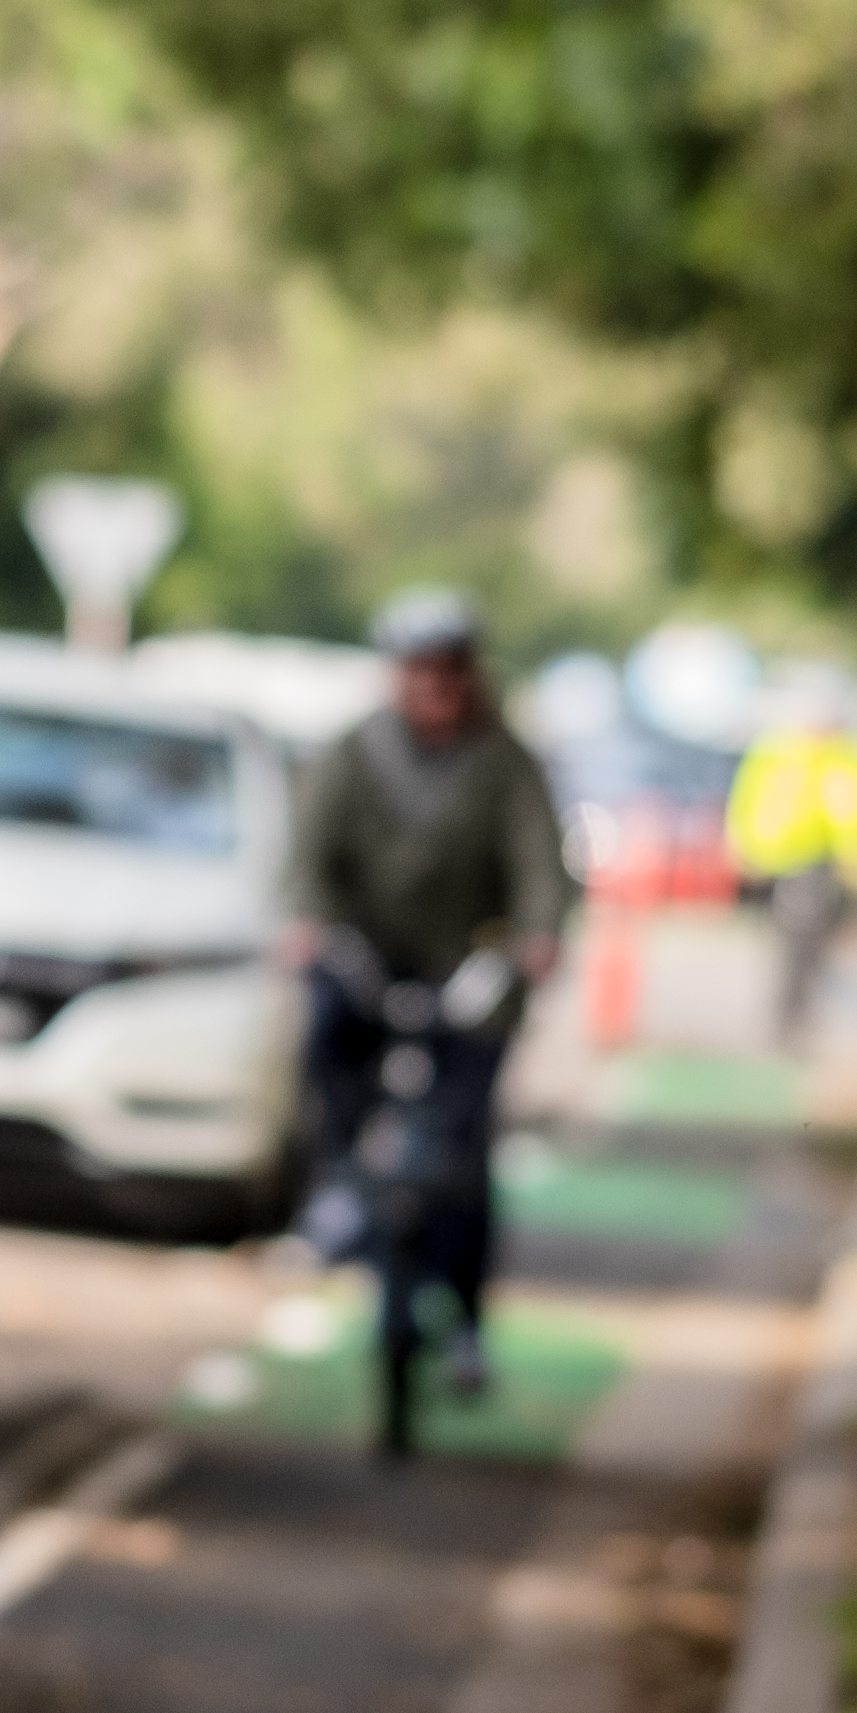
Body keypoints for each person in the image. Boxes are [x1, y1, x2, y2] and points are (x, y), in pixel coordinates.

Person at [284, 587, 568, 1394]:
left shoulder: (505, 763)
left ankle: (468, 1323)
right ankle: (338, 1183)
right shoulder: (352, 754)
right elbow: (309, 861)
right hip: (370, 958)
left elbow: (540, 863)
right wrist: (309, 925)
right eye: (418, 672)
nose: (434, 690)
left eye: (449, 673)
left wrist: (538, 937)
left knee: (466, 1151)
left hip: (472, 972)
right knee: (325, 1031)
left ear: (469, 677)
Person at [726, 672, 857, 1046]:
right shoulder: (776, 750)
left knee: (807, 938)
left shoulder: (852, 756)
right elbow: (748, 798)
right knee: (788, 938)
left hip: (823, 860)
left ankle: (795, 1013)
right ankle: (787, 1013)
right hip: (779, 855)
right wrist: (743, 845)